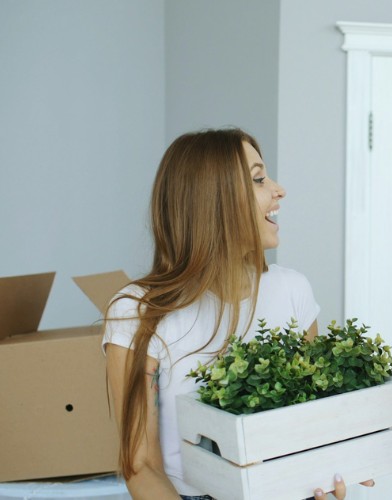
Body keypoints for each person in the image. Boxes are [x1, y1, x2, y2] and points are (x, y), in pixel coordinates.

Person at [103, 129, 355, 499]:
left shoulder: (293, 290)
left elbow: (306, 426)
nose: (279, 190)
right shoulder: (138, 312)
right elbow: (141, 466)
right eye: (258, 179)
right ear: (213, 201)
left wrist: (332, 470)